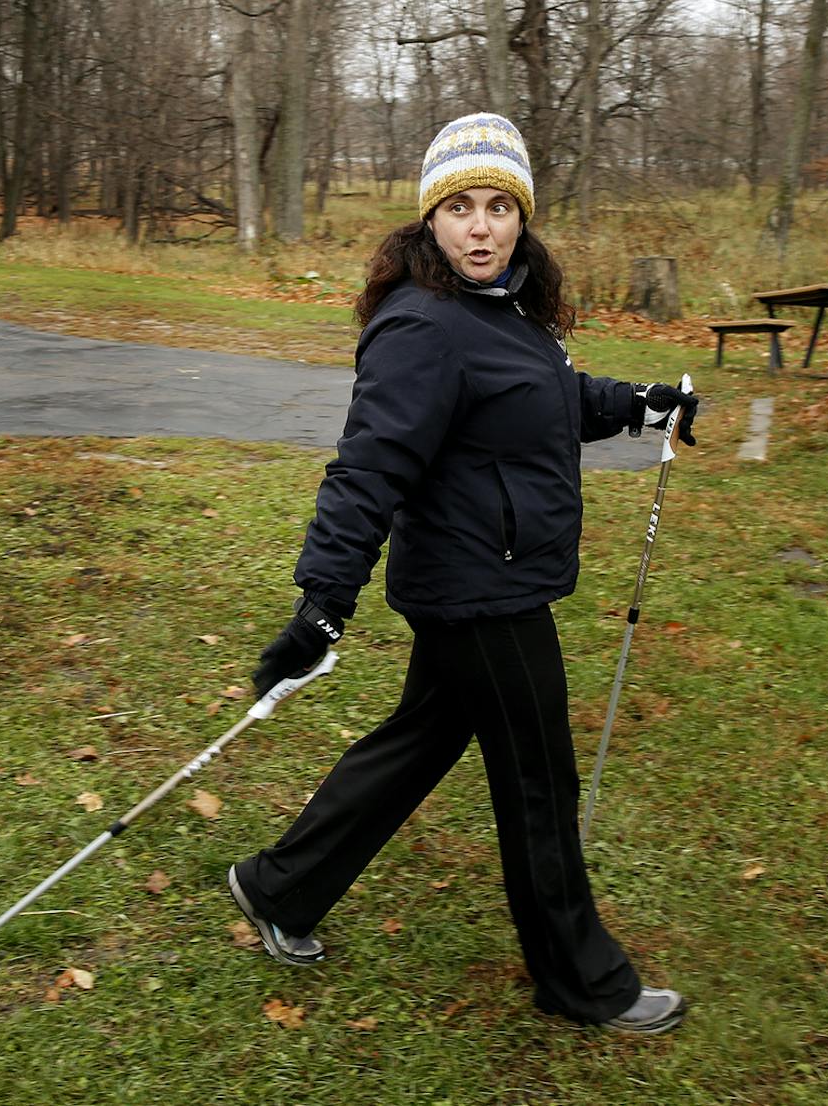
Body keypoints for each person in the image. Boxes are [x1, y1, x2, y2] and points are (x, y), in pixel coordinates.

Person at [225, 112, 700, 1036]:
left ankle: (277, 886)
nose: (480, 227)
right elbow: (369, 467)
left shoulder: (506, 307)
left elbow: (553, 398)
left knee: (417, 743)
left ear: (520, 216)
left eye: (497, 206)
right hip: (483, 592)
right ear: (430, 220)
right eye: (459, 208)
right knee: (539, 782)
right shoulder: (422, 326)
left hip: (487, 580)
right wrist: (324, 602)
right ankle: (581, 979)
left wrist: (645, 404)